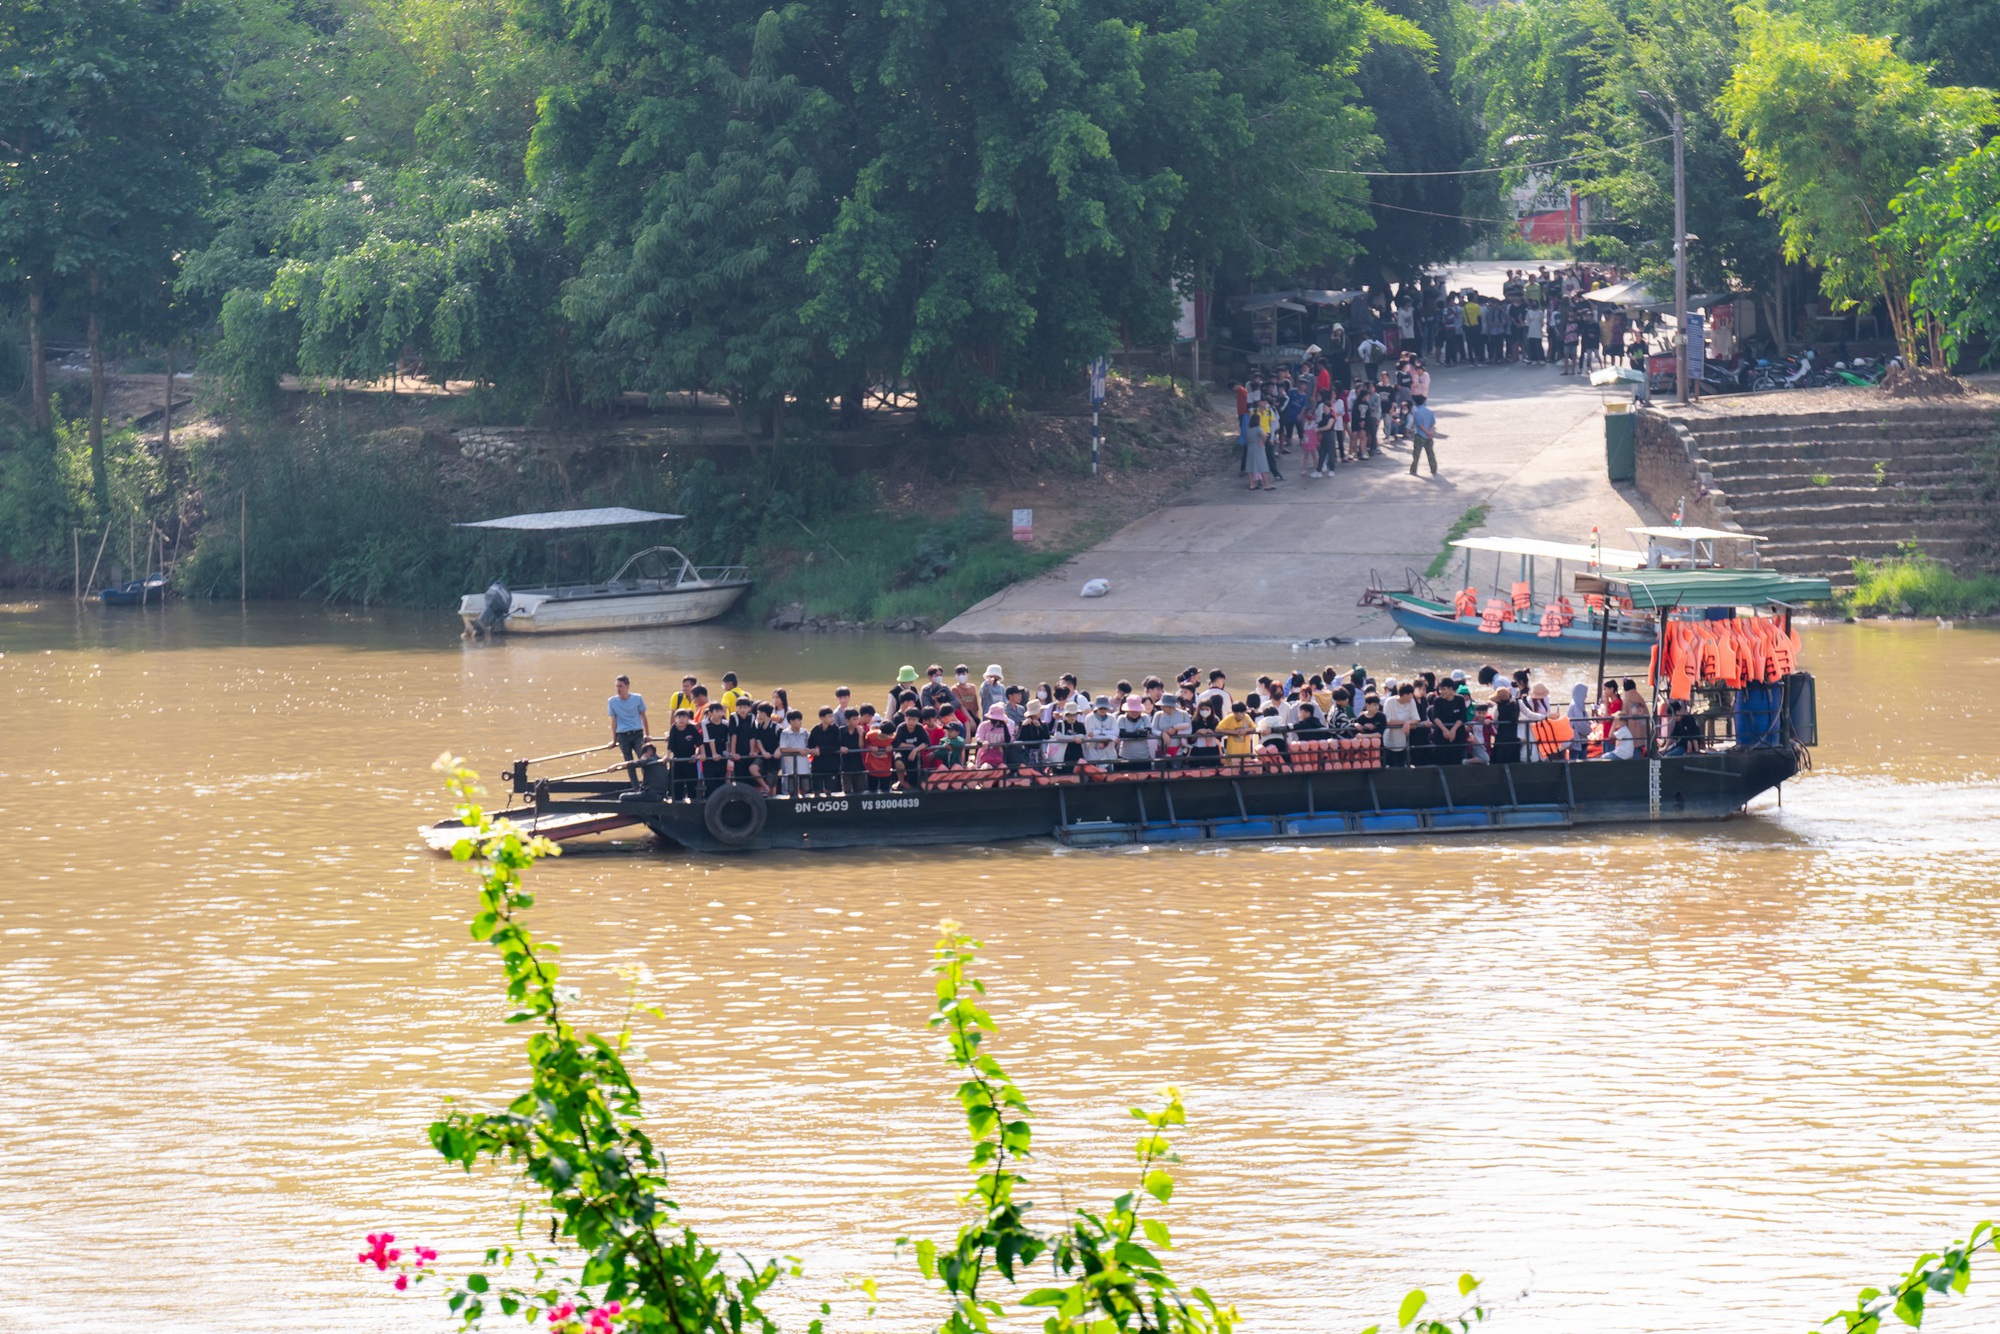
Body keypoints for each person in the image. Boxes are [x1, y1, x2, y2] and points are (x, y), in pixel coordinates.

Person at [607, 674, 651, 782]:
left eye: (621, 686)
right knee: (629, 763)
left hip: (637, 733)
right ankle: (636, 787)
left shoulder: (637, 698)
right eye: (617, 686)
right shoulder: (612, 701)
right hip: (622, 735)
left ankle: (647, 784)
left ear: (627, 686)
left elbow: (644, 717)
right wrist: (614, 740)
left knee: (644, 759)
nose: (618, 689)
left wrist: (647, 734)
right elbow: (613, 721)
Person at [806, 706, 843, 794]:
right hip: (818, 764)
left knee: (829, 789)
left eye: (832, 716)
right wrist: (813, 750)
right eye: (829, 716)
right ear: (822, 718)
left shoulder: (835, 729)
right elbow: (810, 744)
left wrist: (821, 750)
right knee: (816, 789)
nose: (832, 718)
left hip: (832, 764)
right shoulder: (815, 730)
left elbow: (836, 745)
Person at [777, 710, 810, 794]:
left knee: (805, 788)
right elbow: (783, 749)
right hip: (791, 766)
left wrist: (807, 750)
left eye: (801, 720)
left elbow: (809, 746)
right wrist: (798, 750)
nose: (800, 722)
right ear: (791, 721)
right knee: (791, 789)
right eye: (798, 720)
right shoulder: (785, 733)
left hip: (804, 766)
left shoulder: (805, 732)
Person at [1116, 699, 1155, 772]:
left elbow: (1147, 732)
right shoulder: (1121, 718)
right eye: (1132, 710)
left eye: (1136, 710)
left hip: (1143, 757)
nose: (1134, 712)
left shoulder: (1145, 717)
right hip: (1125, 756)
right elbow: (1122, 734)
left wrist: (1130, 734)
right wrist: (1138, 733)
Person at [1407, 394, 1438, 477]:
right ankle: (1433, 468)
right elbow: (1433, 423)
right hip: (1429, 436)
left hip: (1420, 435)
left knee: (1416, 454)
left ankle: (1413, 469)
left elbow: (1420, 425)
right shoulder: (1429, 411)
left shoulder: (1417, 412)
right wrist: (1430, 432)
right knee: (1430, 452)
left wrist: (1426, 432)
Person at [1490, 687, 1522, 764]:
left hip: (1502, 736)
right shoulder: (1515, 706)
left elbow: (1495, 721)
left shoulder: (1498, 708)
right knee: (1514, 759)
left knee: (1500, 758)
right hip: (1514, 736)